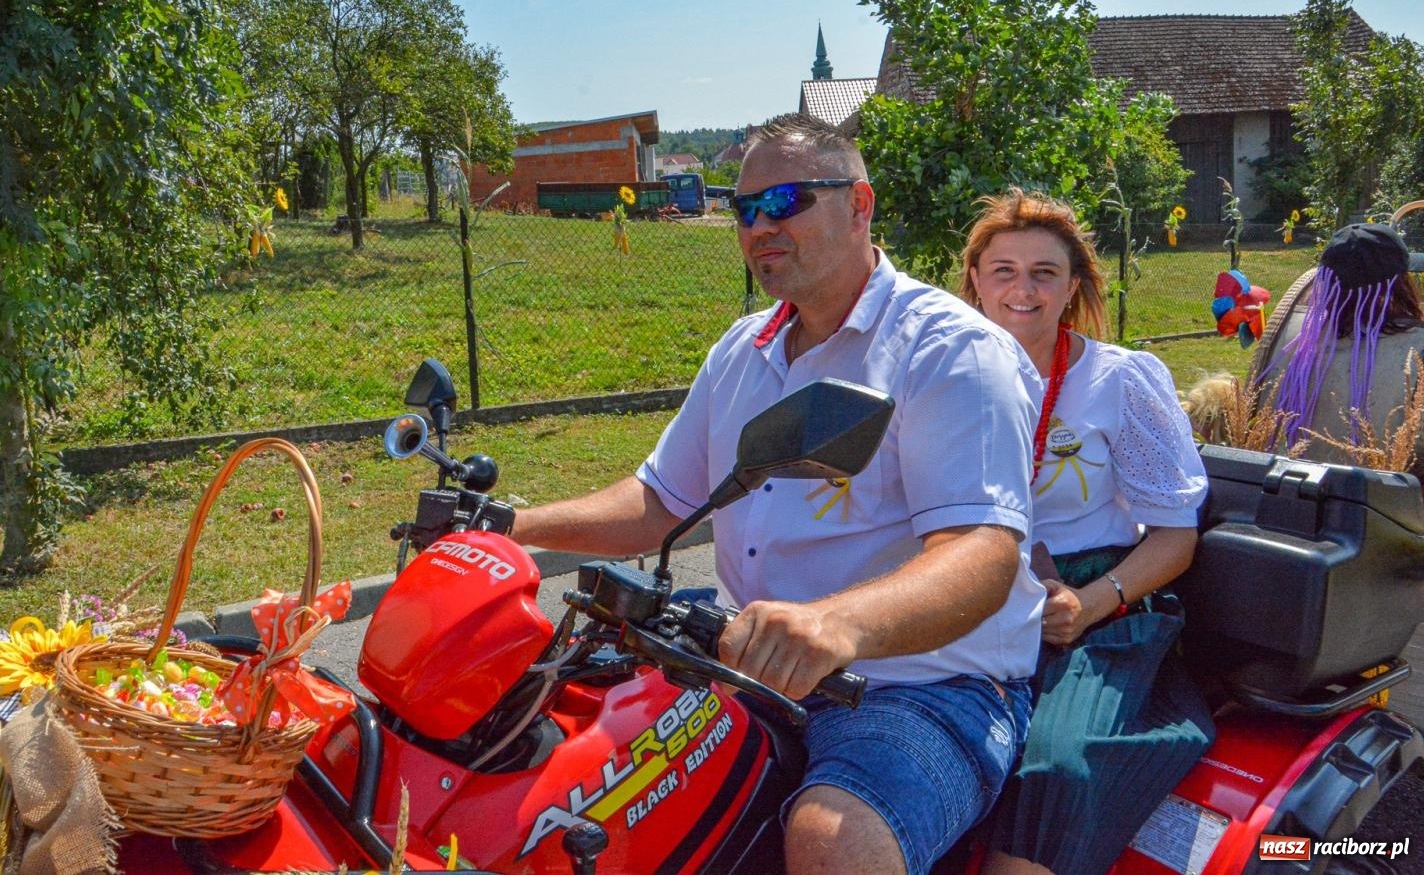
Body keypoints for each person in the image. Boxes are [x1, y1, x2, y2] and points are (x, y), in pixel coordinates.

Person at [514, 113, 1045, 875]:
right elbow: (662, 501)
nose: (761, 225)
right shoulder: (743, 349)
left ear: (859, 204)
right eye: (744, 207)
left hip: (920, 685)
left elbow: (982, 553)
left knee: (834, 838)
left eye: (787, 201)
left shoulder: (949, 350)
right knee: (567, 767)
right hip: (748, 664)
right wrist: (509, 529)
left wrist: (837, 625)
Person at [958, 189, 1212, 875]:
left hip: (1093, 605)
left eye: (1045, 272)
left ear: (1072, 287)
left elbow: (1174, 537)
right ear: (975, 280)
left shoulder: (1117, 379)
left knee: (1056, 764)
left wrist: (1092, 602)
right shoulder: (943, 377)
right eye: (1004, 269)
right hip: (969, 592)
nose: (1023, 288)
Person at [1259, 222, 1424, 476]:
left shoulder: (1294, 338)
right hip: (1381, 508)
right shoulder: (1416, 350)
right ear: (1400, 285)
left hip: (1287, 494)